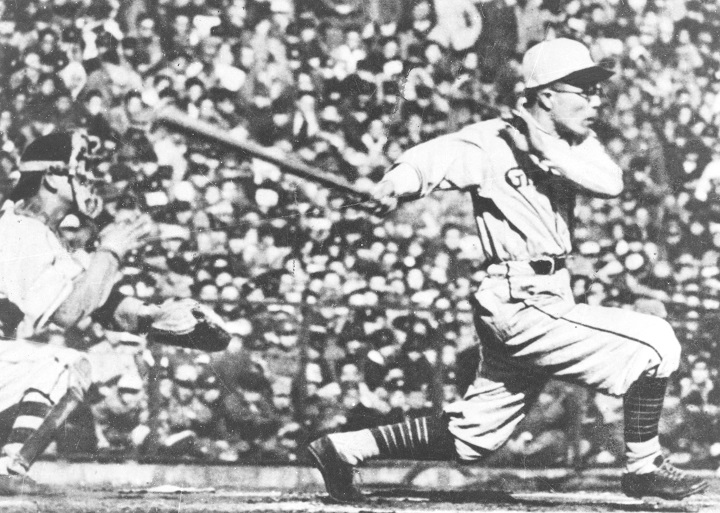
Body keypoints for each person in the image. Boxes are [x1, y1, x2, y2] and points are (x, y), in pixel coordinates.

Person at [307, 38, 708, 502]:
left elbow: (610, 183)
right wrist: (392, 185)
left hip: (549, 293)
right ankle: (643, 466)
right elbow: (429, 161)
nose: (596, 101)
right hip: (519, 298)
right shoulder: (491, 139)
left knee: (472, 438)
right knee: (657, 341)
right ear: (546, 95)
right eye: (584, 90)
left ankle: (344, 448)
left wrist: (540, 146)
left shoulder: (576, 142)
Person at [0, 130, 223, 495]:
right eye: (80, 170)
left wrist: (154, 316)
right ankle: (8, 468)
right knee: (65, 365)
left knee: (55, 367)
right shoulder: (21, 229)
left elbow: (99, 304)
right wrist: (111, 251)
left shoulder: (36, 230)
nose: (89, 179)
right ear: (52, 178)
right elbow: (69, 313)